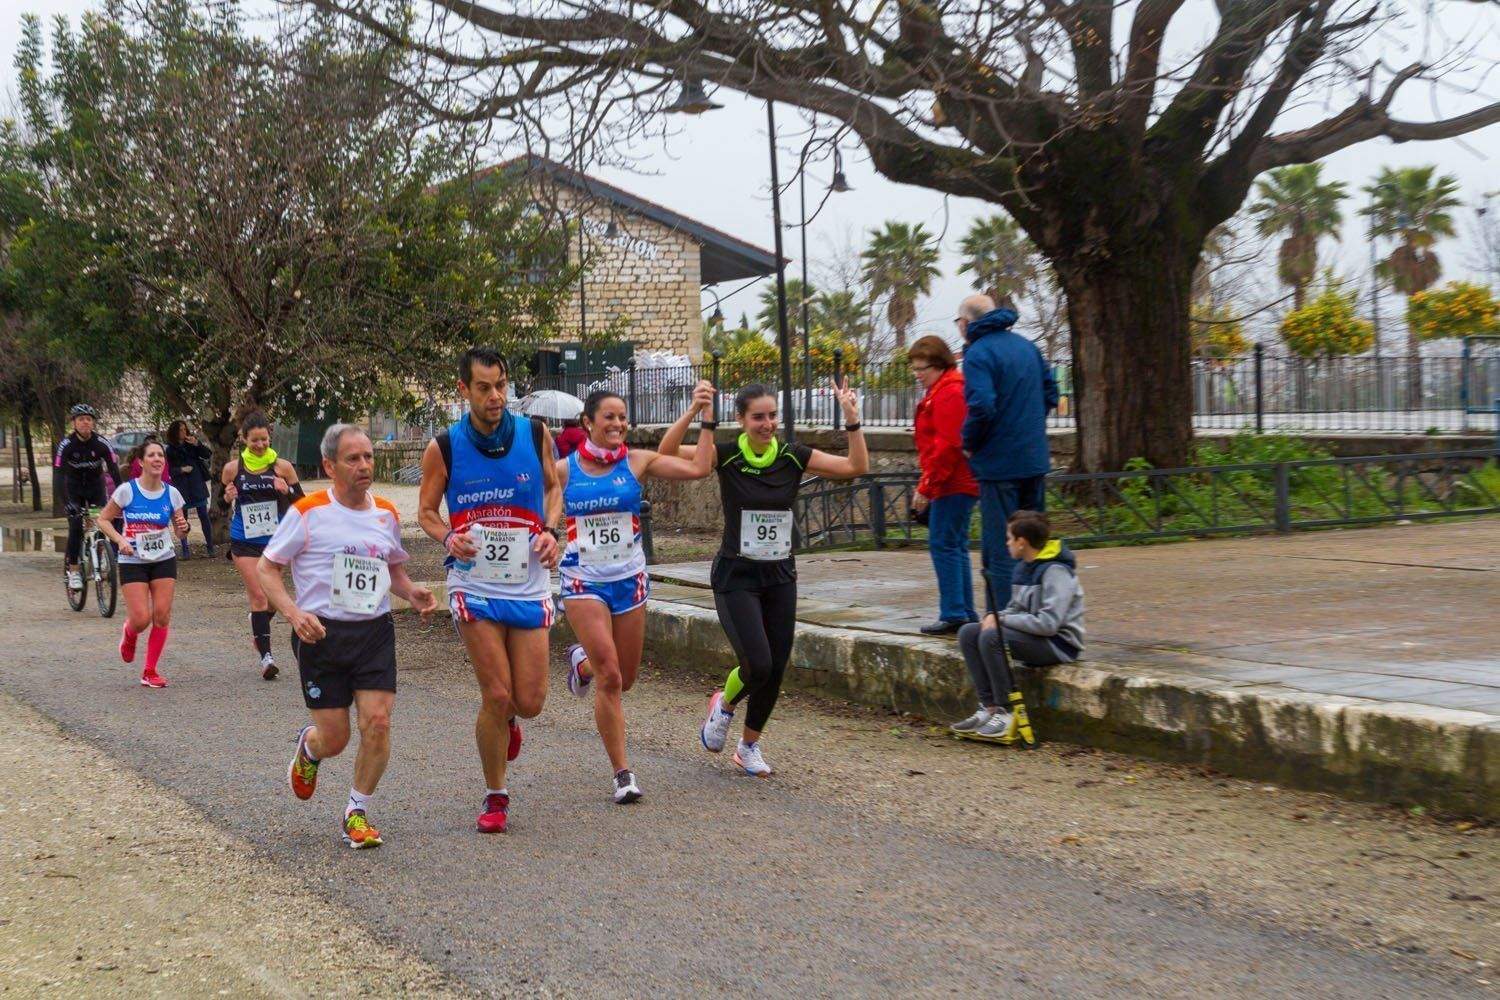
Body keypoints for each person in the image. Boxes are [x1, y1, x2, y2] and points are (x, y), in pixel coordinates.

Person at [661, 381, 866, 777]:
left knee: (776, 665)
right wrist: (694, 413)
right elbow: (666, 455)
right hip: (736, 574)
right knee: (757, 662)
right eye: (758, 416)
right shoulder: (726, 455)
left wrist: (853, 422)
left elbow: (854, 468)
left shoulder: (792, 456)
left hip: (779, 575)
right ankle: (723, 704)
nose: (768, 423)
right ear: (741, 420)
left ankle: (749, 745)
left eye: (772, 415)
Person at [260, 424, 437, 849]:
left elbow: (391, 568)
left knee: (377, 721)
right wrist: (293, 612)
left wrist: (411, 591)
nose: (364, 466)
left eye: (369, 457)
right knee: (336, 738)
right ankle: (311, 748)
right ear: (329, 465)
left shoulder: (387, 514)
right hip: (321, 634)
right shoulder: (307, 512)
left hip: (374, 632)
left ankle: (355, 811)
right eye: (353, 458)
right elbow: (268, 569)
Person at [418, 348, 562, 834]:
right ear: (464, 390)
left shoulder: (534, 433)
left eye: (501, 385)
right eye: (484, 387)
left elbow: (554, 487)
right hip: (473, 582)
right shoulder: (445, 447)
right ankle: (496, 795)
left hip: (527, 581)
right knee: (496, 694)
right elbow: (426, 511)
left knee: (531, 700)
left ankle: (511, 723)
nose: (496, 396)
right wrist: (447, 537)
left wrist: (551, 530)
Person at [560, 382, 717, 803]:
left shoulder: (637, 462)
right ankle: (622, 773)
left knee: (624, 678)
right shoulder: (564, 470)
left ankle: (582, 665)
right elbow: (533, 507)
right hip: (583, 580)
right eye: (609, 417)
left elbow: (700, 468)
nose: (618, 423)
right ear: (588, 422)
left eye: (623, 417)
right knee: (612, 676)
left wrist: (703, 416)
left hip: (629, 579)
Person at [957, 294, 1060, 607]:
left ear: (965, 323)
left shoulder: (978, 354)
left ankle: (1001, 622)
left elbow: (982, 406)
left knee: (1003, 546)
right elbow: (1051, 392)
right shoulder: (1027, 347)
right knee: (1036, 541)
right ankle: (1041, 611)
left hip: (999, 465)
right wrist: (1027, 425)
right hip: (1033, 460)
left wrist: (969, 442)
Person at [950, 510, 1085, 744]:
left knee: (991, 637)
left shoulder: (1056, 571)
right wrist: (995, 616)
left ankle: (1006, 711)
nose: (1007, 543)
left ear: (1022, 542)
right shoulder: (1025, 567)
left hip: (1059, 644)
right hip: (1035, 637)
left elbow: (1049, 624)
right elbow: (1014, 609)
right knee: (969, 632)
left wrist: (1001, 621)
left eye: (1009, 538)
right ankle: (989, 707)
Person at [96, 441, 190, 688]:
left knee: (162, 615)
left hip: (163, 559)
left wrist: (183, 529)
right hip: (133, 560)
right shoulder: (127, 491)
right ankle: (129, 633)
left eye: (161, 455)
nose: (158, 459)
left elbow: (181, 532)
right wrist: (119, 540)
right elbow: (103, 520)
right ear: (141, 461)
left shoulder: (172, 494)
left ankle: (150, 670)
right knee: (141, 619)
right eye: (152, 455)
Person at [222, 413, 303, 680]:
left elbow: (301, 503)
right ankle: (267, 659)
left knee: (271, 600)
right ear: (244, 440)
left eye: (264, 439)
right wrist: (227, 496)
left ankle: (257, 624)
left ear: (270, 438)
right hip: (244, 540)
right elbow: (222, 503)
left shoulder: (283, 467)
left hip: (275, 542)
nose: (259, 444)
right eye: (254, 440)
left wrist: (286, 491)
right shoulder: (233, 469)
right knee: (258, 595)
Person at [909, 334, 979, 635]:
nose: (917, 374)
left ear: (938, 365)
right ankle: (963, 611)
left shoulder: (949, 393)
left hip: (953, 482)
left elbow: (948, 445)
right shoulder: (946, 389)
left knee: (944, 544)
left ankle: (954, 611)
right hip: (958, 480)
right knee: (955, 544)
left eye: (921, 368)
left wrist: (927, 486)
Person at [58, 403, 123, 593]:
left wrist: (120, 496)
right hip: (74, 491)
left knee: (101, 522)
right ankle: (75, 571)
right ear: (74, 423)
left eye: (88, 419)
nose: (85, 422)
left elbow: (114, 470)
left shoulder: (102, 443)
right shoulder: (66, 445)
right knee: (76, 527)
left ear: (93, 423)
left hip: (95, 489)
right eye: (81, 419)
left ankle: (102, 554)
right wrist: (66, 503)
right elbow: (58, 475)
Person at [166, 421, 214, 559]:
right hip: (182, 487)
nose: (183, 432)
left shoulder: (191, 444)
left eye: (184, 429)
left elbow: (207, 454)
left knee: (203, 515)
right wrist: (181, 470)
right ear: (175, 432)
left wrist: (197, 444)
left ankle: (210, 547)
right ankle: (185, 549)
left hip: (196, 484)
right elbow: (169, 470)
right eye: (180, 430)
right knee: (183, 518)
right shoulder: (170, 450)